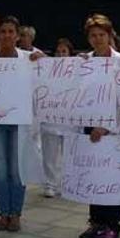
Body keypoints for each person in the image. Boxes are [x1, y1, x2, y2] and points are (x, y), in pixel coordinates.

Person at [0, 16, 43, 231]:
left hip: (19, 123)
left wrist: (42, 61)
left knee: (17, 168)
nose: (6, 35)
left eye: (11, 32)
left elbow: (47, 77)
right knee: (1, 169)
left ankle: (16, 213)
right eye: (3, 31)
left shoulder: (28, 60)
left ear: (18, 35)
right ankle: (4, 213)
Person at [75, 14, 120, 238]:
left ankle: (112, 226)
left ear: (110, 35)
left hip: (112, 127)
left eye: (102, 35)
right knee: (93, 175)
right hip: (90, 125)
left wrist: (108, 127)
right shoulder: (84, 60)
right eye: (93, 35)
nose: (97, 39)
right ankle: (96, 222)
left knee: (111, 178)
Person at [40, 38, 76, 198]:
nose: (61, 55)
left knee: (68, 155)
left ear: (70, 54)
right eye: (58, 51)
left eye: (64, 51)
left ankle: (67, 184)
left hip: (69, 120)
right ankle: (50, 184)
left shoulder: (77, 69)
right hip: (51, 118)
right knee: (49, 154)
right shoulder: (48, 69)